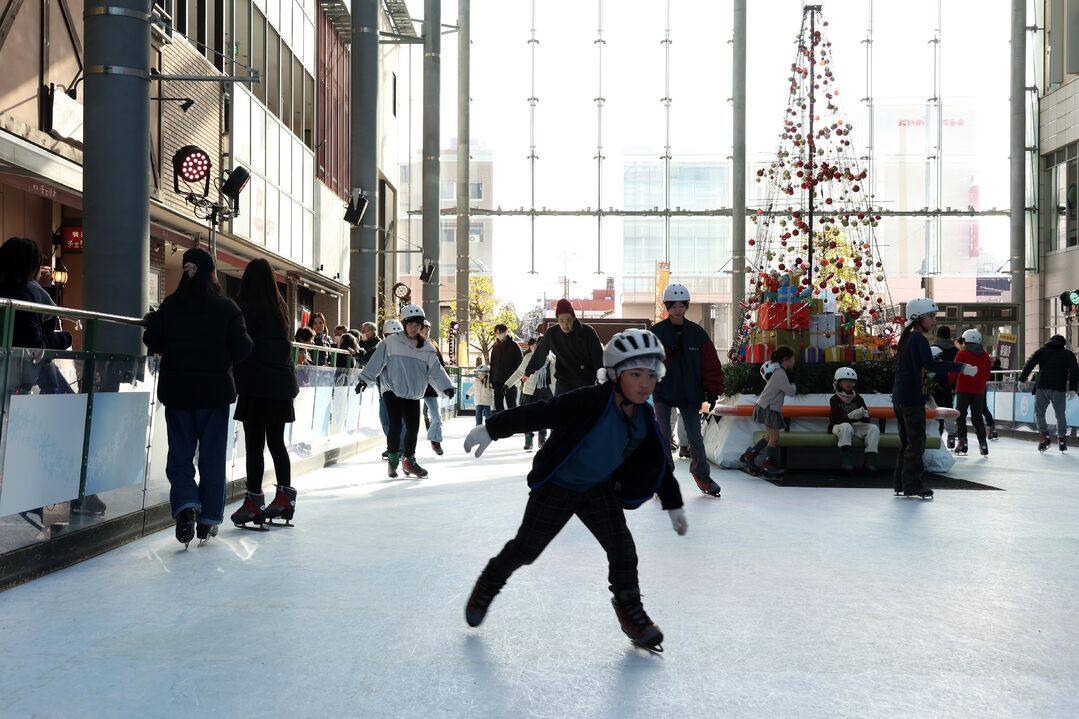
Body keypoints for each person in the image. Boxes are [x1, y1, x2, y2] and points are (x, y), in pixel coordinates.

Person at [461, 328, 686, 652]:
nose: (644, 383)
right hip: (558, 484)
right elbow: (543, 412)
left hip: (597, 489)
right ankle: (488, 583)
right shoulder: (591, 400)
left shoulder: (644, 419)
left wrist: (673, 503)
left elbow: (658, 463)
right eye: (635, 374)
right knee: (526, 549)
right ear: (615, 374)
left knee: (622, 548)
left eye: (651, 375)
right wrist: (492, 428)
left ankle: (630, 611)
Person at [142, 248, 253, 546]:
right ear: (212, 273)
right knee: (212, 457)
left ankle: (186, 505)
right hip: (215, 393)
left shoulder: (170, 305)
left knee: (180, 454)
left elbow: (152, 339)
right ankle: (208, 520)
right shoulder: (227, 308)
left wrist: (153, 321)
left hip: (177, 391)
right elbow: (244, 347)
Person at [229, 258, 299, 529]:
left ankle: (254, 501)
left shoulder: (242, 307)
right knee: (276, 443)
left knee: (254, 445)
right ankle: (284, 499)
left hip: (254, 385)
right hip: (280, 385)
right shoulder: (280, 307)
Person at [357, 304, 454, 479]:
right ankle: (393, 459)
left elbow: (436, 370)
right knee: (395, 424)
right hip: (392, 389)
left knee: (413, 427)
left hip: (413, 392)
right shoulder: (391, 342)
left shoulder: (427, 348)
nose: (413, 328)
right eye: (410, 324)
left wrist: (446, 386)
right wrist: (364, 379)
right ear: (404, 324)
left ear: (421, 326)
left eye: (417, 324)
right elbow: (376, 362)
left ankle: (409, 460)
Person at [891, 298, 973, 499]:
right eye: (931, 316)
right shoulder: (917, 339)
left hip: (901, 397)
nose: (934, 321)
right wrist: (962, 367)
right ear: (918, 317)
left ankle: (901, 483)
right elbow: (931, 364)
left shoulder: (907, 338)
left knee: (908, 442)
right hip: (911, 399)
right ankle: (912, 485)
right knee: (916, 443)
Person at [649, 283, 725, 497]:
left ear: (686, 306)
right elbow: (646, 362)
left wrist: (713, 389)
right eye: (673, 306)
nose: (678, 310)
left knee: (695, 437)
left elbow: (710, 363)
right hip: (663, 391)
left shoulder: (697, 333)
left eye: (681, 306)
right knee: (663, 435)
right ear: (667, 307)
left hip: (690, 392)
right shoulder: (656, 333)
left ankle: (702, 474)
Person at [523, 299, 603, 395]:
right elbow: (540, 353)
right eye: (561, 321)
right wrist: (528, 371)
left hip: (585, 382)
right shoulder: (552, 334)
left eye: (568, 320)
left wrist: (602, 381)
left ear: (574, 318)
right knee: (559, 404)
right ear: (557, 320)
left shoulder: (588, 332)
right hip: (563, 383)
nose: (565, 324)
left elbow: (598, 358)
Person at [741, 346, 797, 478]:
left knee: (769, 436)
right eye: (793, 358)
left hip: (767, 406)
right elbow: (790, 392)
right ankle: (767, 465)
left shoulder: (779, 372)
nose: (794, 361)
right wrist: (793, 384)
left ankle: (750, 455)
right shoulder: (780, 373)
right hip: (768, 408)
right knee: (774, 438)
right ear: (786, 359)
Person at [1019, 334, 1079, 452]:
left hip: (1043, 387)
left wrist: (1022, 379)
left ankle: (1044, 437)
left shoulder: (1042, 351)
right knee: (1060, 415)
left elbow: (1029, 363)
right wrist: (1072, 388)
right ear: (1063, 344)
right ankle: (1062, 440)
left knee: (1039, 413)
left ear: (1050, 341)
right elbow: (1075, 371)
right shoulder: (1068, 354)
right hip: (1059, 388)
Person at [504, 336, 555, 450]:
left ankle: (542, 437)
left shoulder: (553, 359)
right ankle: (528, 438)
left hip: (547, 391)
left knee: (545, 417)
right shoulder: (529, 357)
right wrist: (507, 384)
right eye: (540, 345)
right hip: (530, 391)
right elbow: (519, 372)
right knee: (528, 416)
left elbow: (559, 374)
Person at [828, 367, 880, 472]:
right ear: (838, 382)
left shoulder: (858, 398)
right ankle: (846, 460)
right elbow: (836, 420)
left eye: (851, 381)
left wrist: (863, 414)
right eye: (845, 380)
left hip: (856, 426)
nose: (849, 383)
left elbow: (867, 419)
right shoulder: (835, 399)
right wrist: (850, 416)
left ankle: (870, 460)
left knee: (873, 428)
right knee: (846, 426)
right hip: (839, 427)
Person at [951, 329, 992, 457]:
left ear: (966, 340)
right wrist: (981, 383)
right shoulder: (985, 355)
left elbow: (954, 370)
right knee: (977, 417)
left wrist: (949, 383)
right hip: (979, 391)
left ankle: (963, 442)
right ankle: (983, 444)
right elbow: (988, 373)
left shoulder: (962, 354)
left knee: (960, 416)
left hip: (963, 389)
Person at [375, 319, 406, 459]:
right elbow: (371, 362)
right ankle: (393, 445)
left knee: (400, 420)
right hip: (384, 390)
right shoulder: (380, 347)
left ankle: (400, 447)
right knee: (385, 419)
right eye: (389, 335)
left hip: (403, 391)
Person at [419, 320, 447, 455]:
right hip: (413, 384)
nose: (426, 330)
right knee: (408, 418)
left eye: (428, 328)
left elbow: (440, 365)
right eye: (424, 328)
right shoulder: (409, 344)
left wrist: (444, 383)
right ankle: (401, 448)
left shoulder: (433, 343)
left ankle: (435, 440)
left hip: (430, 386)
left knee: (436, 416)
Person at [932, 326, 959, 448]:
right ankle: (951, 436)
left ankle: (937, 435)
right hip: (951, 385)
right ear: (949, 336)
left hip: (935, 384)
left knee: (936, 410)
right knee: (948, 409)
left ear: (937, 335)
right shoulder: (956, 351)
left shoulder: (933, 349)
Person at [488, 323, 523, 414]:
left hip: (510, 381)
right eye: (496, 333)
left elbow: (520, 364)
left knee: (511, 404)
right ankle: (501, 421)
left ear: (506, 332)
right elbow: (492, 365)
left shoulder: (514, 346)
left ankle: (512, 421)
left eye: (500, 332)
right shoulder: (495, 347)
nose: (498, 335)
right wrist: (491, 380)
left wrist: (517, 379)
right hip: (497, 380)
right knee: (498, 404)